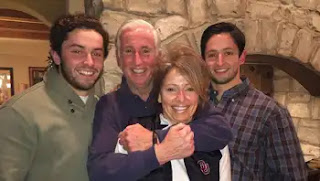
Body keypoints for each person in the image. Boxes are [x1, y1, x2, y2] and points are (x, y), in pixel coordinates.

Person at [87, 19, 232, 181]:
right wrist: (161, 152)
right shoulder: (111, 106)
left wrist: (155, 138)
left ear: (158, 55)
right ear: (118, 58)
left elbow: (220, 129)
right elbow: (100, 170)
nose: (137, 61)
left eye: (145, 51)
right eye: (128, 51)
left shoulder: (180, 100)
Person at [0, 13, 109, 181]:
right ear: (56, 56)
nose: (89, 62)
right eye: (77, 51)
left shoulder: (104, 109)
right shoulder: (18, 113)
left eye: (96, 53)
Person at [200, 22, 308, 180]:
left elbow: (292, 177)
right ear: (203, 60)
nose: (220, 62)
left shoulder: (270, 112)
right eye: (212, 55)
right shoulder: (194, 105)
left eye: (228, 53)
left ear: (242, 57)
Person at [115, 45, 232, 181]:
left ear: (199, 94)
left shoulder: (215, 142)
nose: (181, 98)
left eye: (189, 89)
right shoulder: (133, 138)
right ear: (159, 94)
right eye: (171, 89)